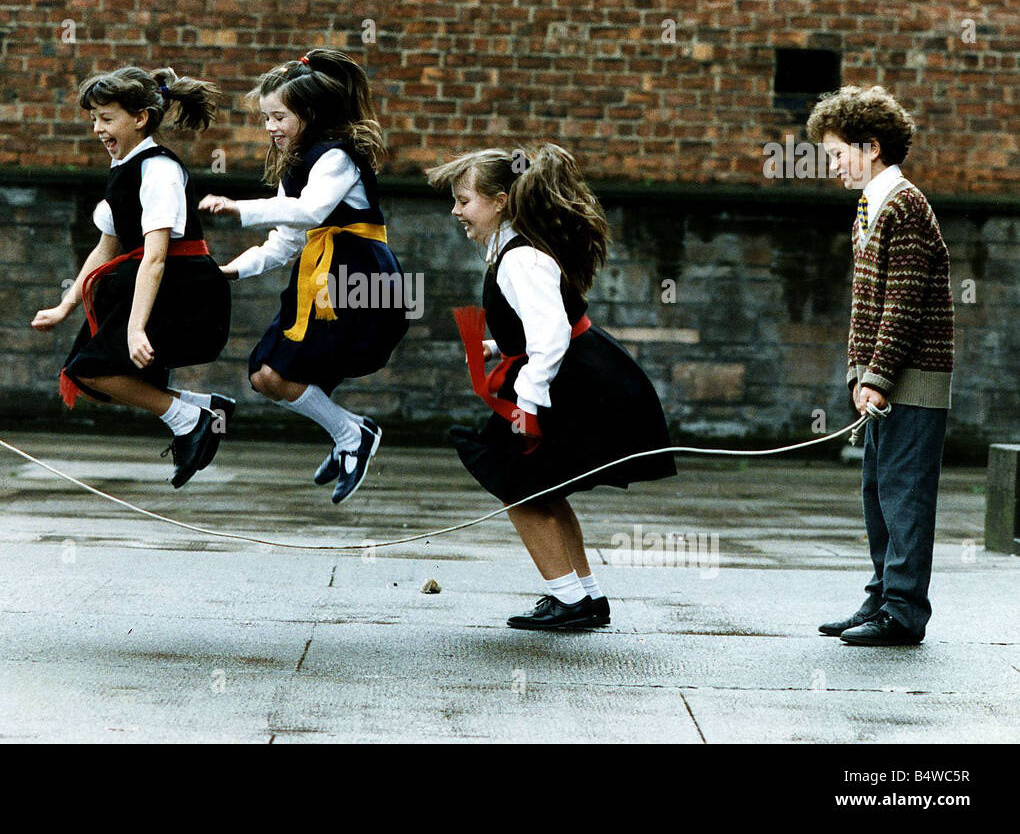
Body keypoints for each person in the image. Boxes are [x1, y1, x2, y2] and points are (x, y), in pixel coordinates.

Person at [426, 144, 676, 631]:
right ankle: (585, 595)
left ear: (500, 200)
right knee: (544, 489)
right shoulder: (512, 248)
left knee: (516, 484)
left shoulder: (520, 258)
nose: (456, 211)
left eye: (464, 199)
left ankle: (570, 599)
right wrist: (502, 346)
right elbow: (540, 327)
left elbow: (553, 337)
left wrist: (527, 405)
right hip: (577, 374)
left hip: (572, 383)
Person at [199, 49, 409, 504]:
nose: (270, 127)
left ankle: (352, 438)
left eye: (279, 116)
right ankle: (350, 434)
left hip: (359, 279)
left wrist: (240, 207)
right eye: (266, 118)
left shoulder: (337, 156)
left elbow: (312, 210)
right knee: (265, 375)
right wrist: (231, 271)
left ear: (309, 113)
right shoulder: (294, 168)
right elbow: (287, 241)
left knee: (277, 371)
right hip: (317, 280)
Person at [31, 66, 232, 488]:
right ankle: (199, 410)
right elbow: (106, 247)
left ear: (140, 118)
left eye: (106, 119)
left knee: (94, 368)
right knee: (89, 370)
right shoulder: (124, 167)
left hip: (182, 288)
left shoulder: (158, 169)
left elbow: (156, 257)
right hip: (150, 284)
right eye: (93, 119)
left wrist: (136, 328)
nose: (97, 129)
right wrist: (66, 306)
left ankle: (191, 418)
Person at [809, 86, 954, 645]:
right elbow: (863, 306)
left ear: (870, 147)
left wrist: (877, 376)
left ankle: (903, 611)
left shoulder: (905, 204)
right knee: (878, 491)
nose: (833, 165)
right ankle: (880, 597)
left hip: (911, 381)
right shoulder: (869, 208)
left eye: (838, 152)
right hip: (885, 381)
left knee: (905, 495)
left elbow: (904, 302)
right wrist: (858, 373)